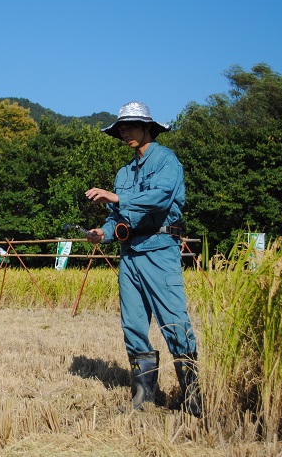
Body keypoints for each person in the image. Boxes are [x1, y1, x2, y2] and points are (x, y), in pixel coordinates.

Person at [84, 101, 202, 417]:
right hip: (130, 256)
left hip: (161, 250)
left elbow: (160, 197)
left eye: (131, 127)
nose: (125, 133)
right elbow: (117, 217)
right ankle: (144, 398)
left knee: (175, 323)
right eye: (122, 129)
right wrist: (103, 233)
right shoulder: (124, 172)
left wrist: (117, 196)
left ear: (148, 127)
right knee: (133, 325)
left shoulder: (167, 161)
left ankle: (193, 400)